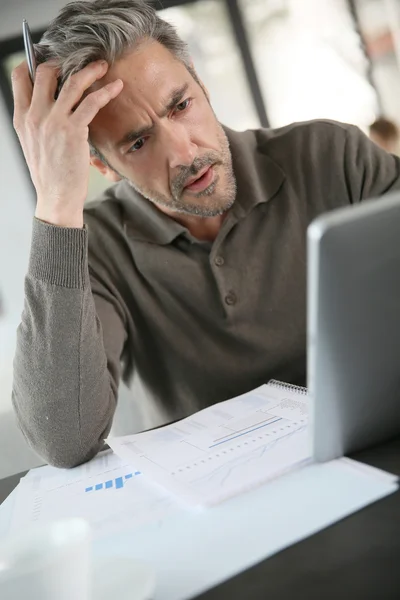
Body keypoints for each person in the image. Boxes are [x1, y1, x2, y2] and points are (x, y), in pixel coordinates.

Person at [11, 0, 400, 469]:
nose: (184, 153)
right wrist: (55, 205)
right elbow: (64, 440)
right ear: (99, 163)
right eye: (137, 142)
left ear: (200, 81)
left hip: (376, 451)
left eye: (181, 105)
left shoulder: (333, 156)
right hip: (223, 504)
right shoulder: (91, 246)